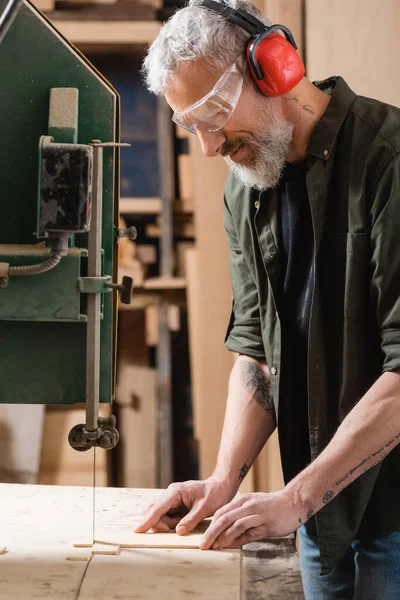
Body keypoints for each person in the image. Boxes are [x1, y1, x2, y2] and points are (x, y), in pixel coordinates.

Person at [136, 1, 400, 597]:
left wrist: (297, 496)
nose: (208, 148)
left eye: (212, 116)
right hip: (318, 514)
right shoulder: (246, 191)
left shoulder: (390, 164)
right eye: (190, 126)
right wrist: (224, 480)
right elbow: (258, 349)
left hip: (390, 510)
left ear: (273, 69)